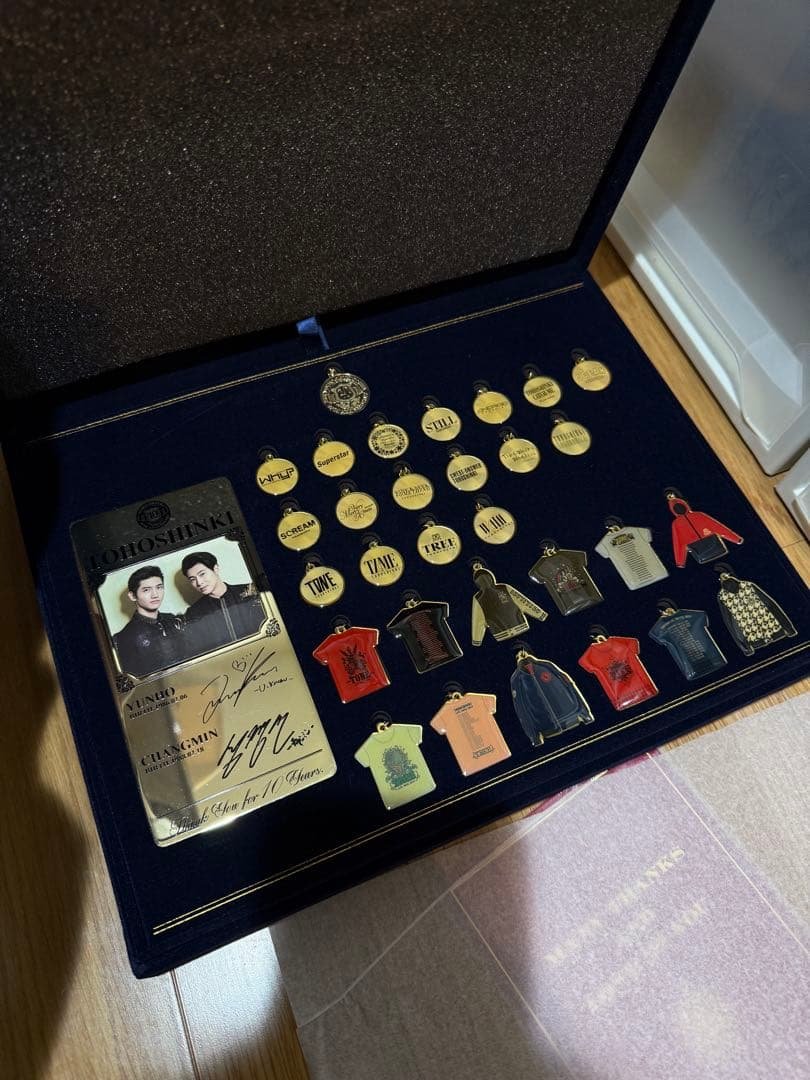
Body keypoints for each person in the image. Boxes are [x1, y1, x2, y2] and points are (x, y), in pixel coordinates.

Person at [181, 551, 266, 654]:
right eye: (192, 579)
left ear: (215, 569)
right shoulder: (194, 613)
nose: (199, 582)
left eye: (202, 574)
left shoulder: (251, 592)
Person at [113, 565, 186, 678]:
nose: (155, 594)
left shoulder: (172, 619)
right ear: (132, 596)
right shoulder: (124, 637)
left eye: (159, 587)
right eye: (146, 590)